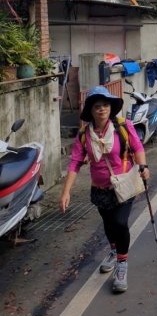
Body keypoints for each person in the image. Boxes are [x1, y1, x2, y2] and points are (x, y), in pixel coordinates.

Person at [59, 86, 150, 294]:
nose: (102, 109)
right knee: (109, 225)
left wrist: (143, 166)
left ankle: (122, 264)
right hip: (99, 188)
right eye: (97, 106)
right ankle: (113, 250)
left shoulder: (122, 127)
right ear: (90, 110)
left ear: (111, 108)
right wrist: (66, 192)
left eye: (105, 105)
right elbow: (74, 163)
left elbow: (137, 148)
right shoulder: (84, 135)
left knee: (119, 223)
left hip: (123, 184)